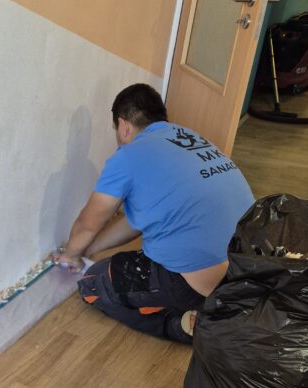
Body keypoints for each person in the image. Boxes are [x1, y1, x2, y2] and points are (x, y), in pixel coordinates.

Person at [54, 83, 254, 343]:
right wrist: (89, 249)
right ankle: (218, 311)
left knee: (94, 282)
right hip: (248, 271)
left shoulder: (128, 156)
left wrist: (70, 254)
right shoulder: (189, 138)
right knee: (129, 265)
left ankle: (186, 326)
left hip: (198, 283)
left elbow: (86, 224)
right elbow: (136, 221)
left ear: (123, 126)